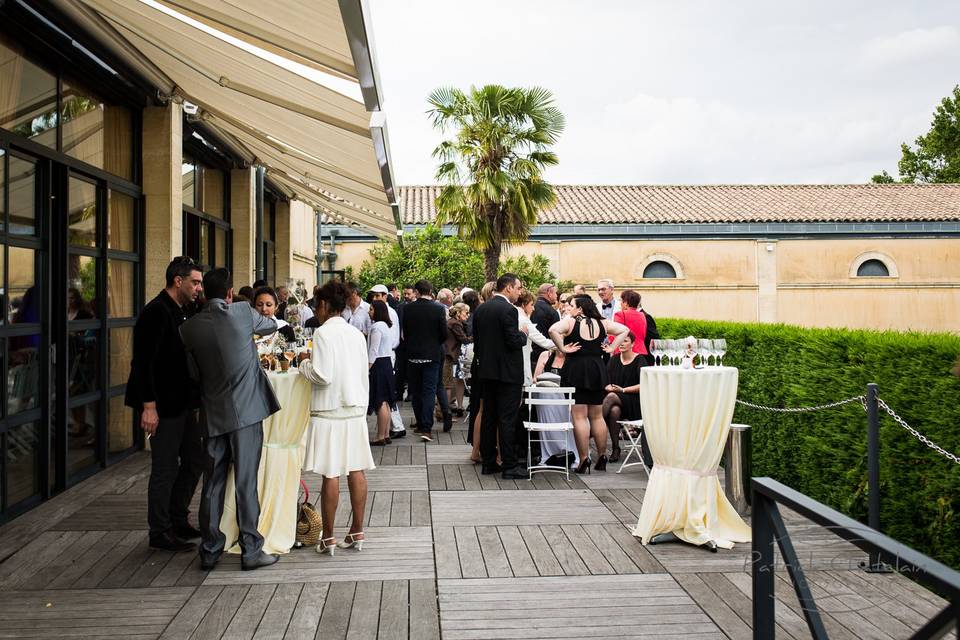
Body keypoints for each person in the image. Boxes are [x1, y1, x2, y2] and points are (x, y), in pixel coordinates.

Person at [180, 268, 281, 571]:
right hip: (247, 412)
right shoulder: (241, 311)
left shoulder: (189, 328)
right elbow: (270, 325)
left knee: (212, 482)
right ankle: (251, 549)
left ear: (202, 293)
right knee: (246, 483)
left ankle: (210, 550)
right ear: (229, 292)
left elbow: (193, 373)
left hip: (213, 413)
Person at [125, 256, 206, 552]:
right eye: (195, 282)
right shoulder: (156, 312)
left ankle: (177, 518)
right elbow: (142, 363)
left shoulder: (182, 310)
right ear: (178, 281)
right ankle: (159, 531)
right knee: (165, 468)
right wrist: (149, 406)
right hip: (163, 406)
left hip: (184, 403)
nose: (199, 288)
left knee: (195, 460)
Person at [299, 280, 374, 556]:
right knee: (357, 469)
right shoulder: (355, 333)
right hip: (353, 408)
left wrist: (304, 365)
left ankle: (328, 537)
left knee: (331, 473)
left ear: (324, 305)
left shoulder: (322, 334)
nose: (316, 311)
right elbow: (363, 374)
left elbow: (322, 375)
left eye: (317, 305)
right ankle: (357, 530)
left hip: (329, 410)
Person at [549, 294, 628, 473]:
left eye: (573, 305)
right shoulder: (603, 322)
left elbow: (553, 329)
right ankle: (602, 455)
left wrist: (562, 348)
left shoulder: (571, 322)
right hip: (597, 368)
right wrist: (612, 348)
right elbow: (624, 330)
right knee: (597, 415)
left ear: (581, 308)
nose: (570, 308)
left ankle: (584, 459)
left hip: (576, 368)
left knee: (579, 416)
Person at [472, 274, 530, 479]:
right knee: (507, 419)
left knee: (489, 417)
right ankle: (509, 465)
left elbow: (477, 342)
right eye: (518, 288)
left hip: (487, 372)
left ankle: (488, 462)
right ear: (508, 288)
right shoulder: (508, 310)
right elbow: (512, 340)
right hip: (507, 374)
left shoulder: (481, 309)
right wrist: (523, 333)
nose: (520, 292)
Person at [402, 280, 448, 441]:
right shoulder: (438, 309)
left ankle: (421, 423)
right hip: (432, 354)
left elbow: (405, 332)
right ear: (430, 291)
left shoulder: (407, 309)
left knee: (415, 391)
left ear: (416, 291)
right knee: (429, 391)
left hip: (413, 354)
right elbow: (444, 333)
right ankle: (426, 428)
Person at [603, 331, 645, 463]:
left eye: (625, 341)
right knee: (614, 410)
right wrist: (607, 387)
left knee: (611, 397)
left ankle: (595, 426)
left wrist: (623, 390)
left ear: (633, 344)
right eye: (619, 340)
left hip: (635, 401)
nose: (621, 343)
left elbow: (644, 384)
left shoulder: (640, 360)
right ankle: (616, 448)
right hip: (617, 400)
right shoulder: (614, 359)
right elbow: (605, 381)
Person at [367, 300, 397, 446]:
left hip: (378, 363)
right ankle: (385, 434)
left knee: (380, 401)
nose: (369, 312)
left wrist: (367, 367)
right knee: (386, 401)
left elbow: (373, 349)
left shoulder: (377, 327)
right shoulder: (385, 326)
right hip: (386, 363)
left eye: (371, 309)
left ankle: (380, 435)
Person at [445, 303, 472, 417]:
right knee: (447, 384)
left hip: (448, 354)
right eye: (466, 312)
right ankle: (445, 412)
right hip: (449, 355)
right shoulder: (455, 324)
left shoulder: (452, 322)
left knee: (448, 383)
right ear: (458, 313)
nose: (468, 315)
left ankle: (444, 410)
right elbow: (464, 339)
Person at [608, 290, 649, 360]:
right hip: (641, 351)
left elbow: (614, 335)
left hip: (624, 352)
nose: (620, 304)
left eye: (621, 301)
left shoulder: (620, 314)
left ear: (626, 303)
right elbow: (643, 334)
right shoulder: (642, 315)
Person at [530, 283, 560, 367]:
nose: (556, 296)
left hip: (530, 353)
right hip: (546, 356)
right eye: (555, 293)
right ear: (549, 293)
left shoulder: (529, 307)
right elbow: (556, 335)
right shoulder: (552, 312)